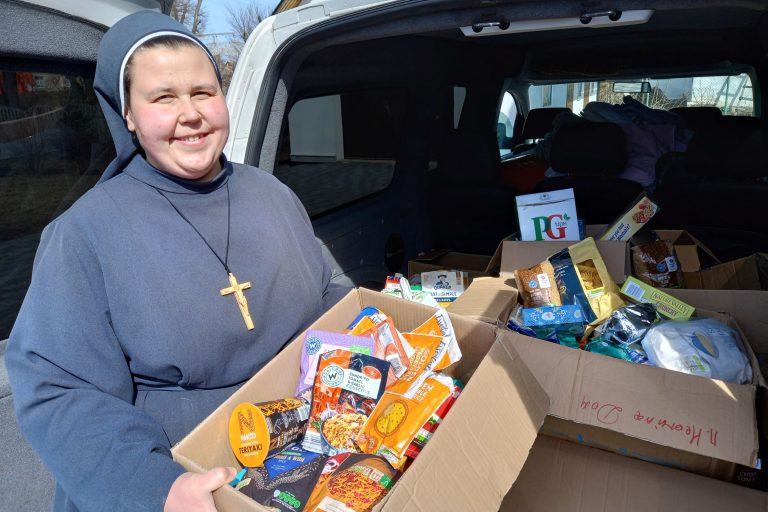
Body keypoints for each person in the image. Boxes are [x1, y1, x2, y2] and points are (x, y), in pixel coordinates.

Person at [5, 11, 348, 512]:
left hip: (311, 452)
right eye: (163, 98)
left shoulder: (270, 193)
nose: (191, 113)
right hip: (190, 481)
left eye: (203, 92)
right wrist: (157, 487)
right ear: (128, 115)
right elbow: (59, 390)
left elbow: (331, 289)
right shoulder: (84, 234)